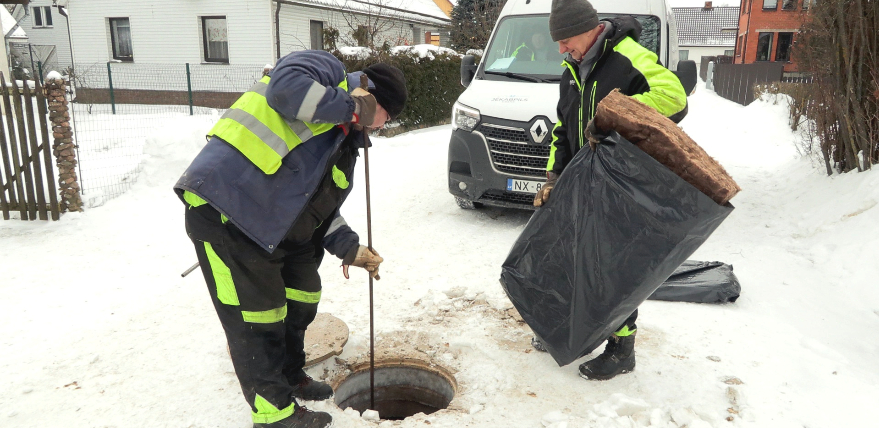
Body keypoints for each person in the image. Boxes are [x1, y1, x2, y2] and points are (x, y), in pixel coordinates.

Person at [174, 50, 406, 428]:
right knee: (257, 319)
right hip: (223, 207)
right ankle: (274, 415)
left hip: (267, 221)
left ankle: (288, 374)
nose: (381, 127)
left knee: (303, 291)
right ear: (375, 99)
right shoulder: (326, 72)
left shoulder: (342, 144)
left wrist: (352, 249)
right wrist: (349, 105)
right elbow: (285, 90)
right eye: (386, 117)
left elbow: (317, 210)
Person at [531, 0, 688, 381]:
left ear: (590, 29)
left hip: (621, 181)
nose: (561, 50)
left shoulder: (627, 55)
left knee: (611, 267)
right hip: (579, 181)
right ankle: (576, 327)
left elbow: (675, 97)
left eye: (566, 40)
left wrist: (615, 114)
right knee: (571, 257)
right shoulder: (571, 69)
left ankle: (622, 349)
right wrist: (553, 177)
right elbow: (563, 129)